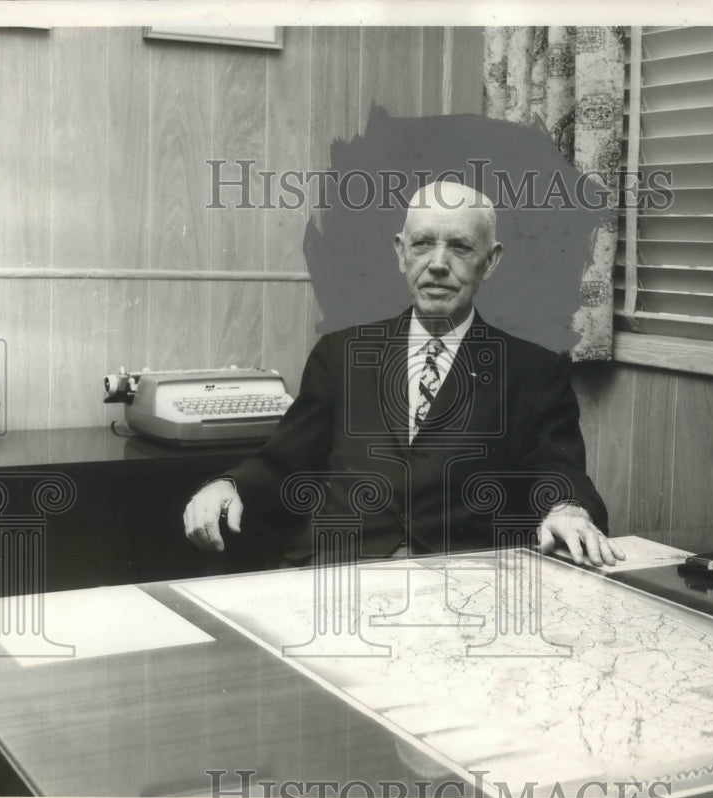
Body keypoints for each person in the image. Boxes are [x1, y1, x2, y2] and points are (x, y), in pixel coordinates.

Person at [184, 181, 624, 568]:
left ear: (490, 262)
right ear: (400, 252)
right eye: (423, 244)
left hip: (463, 585)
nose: (437, 263)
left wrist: (567, 509)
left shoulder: (533, 370)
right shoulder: (340, 354)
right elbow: (284, 461)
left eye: (460, 246)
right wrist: (227, 485)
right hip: (338, 571)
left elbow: (558, 471)